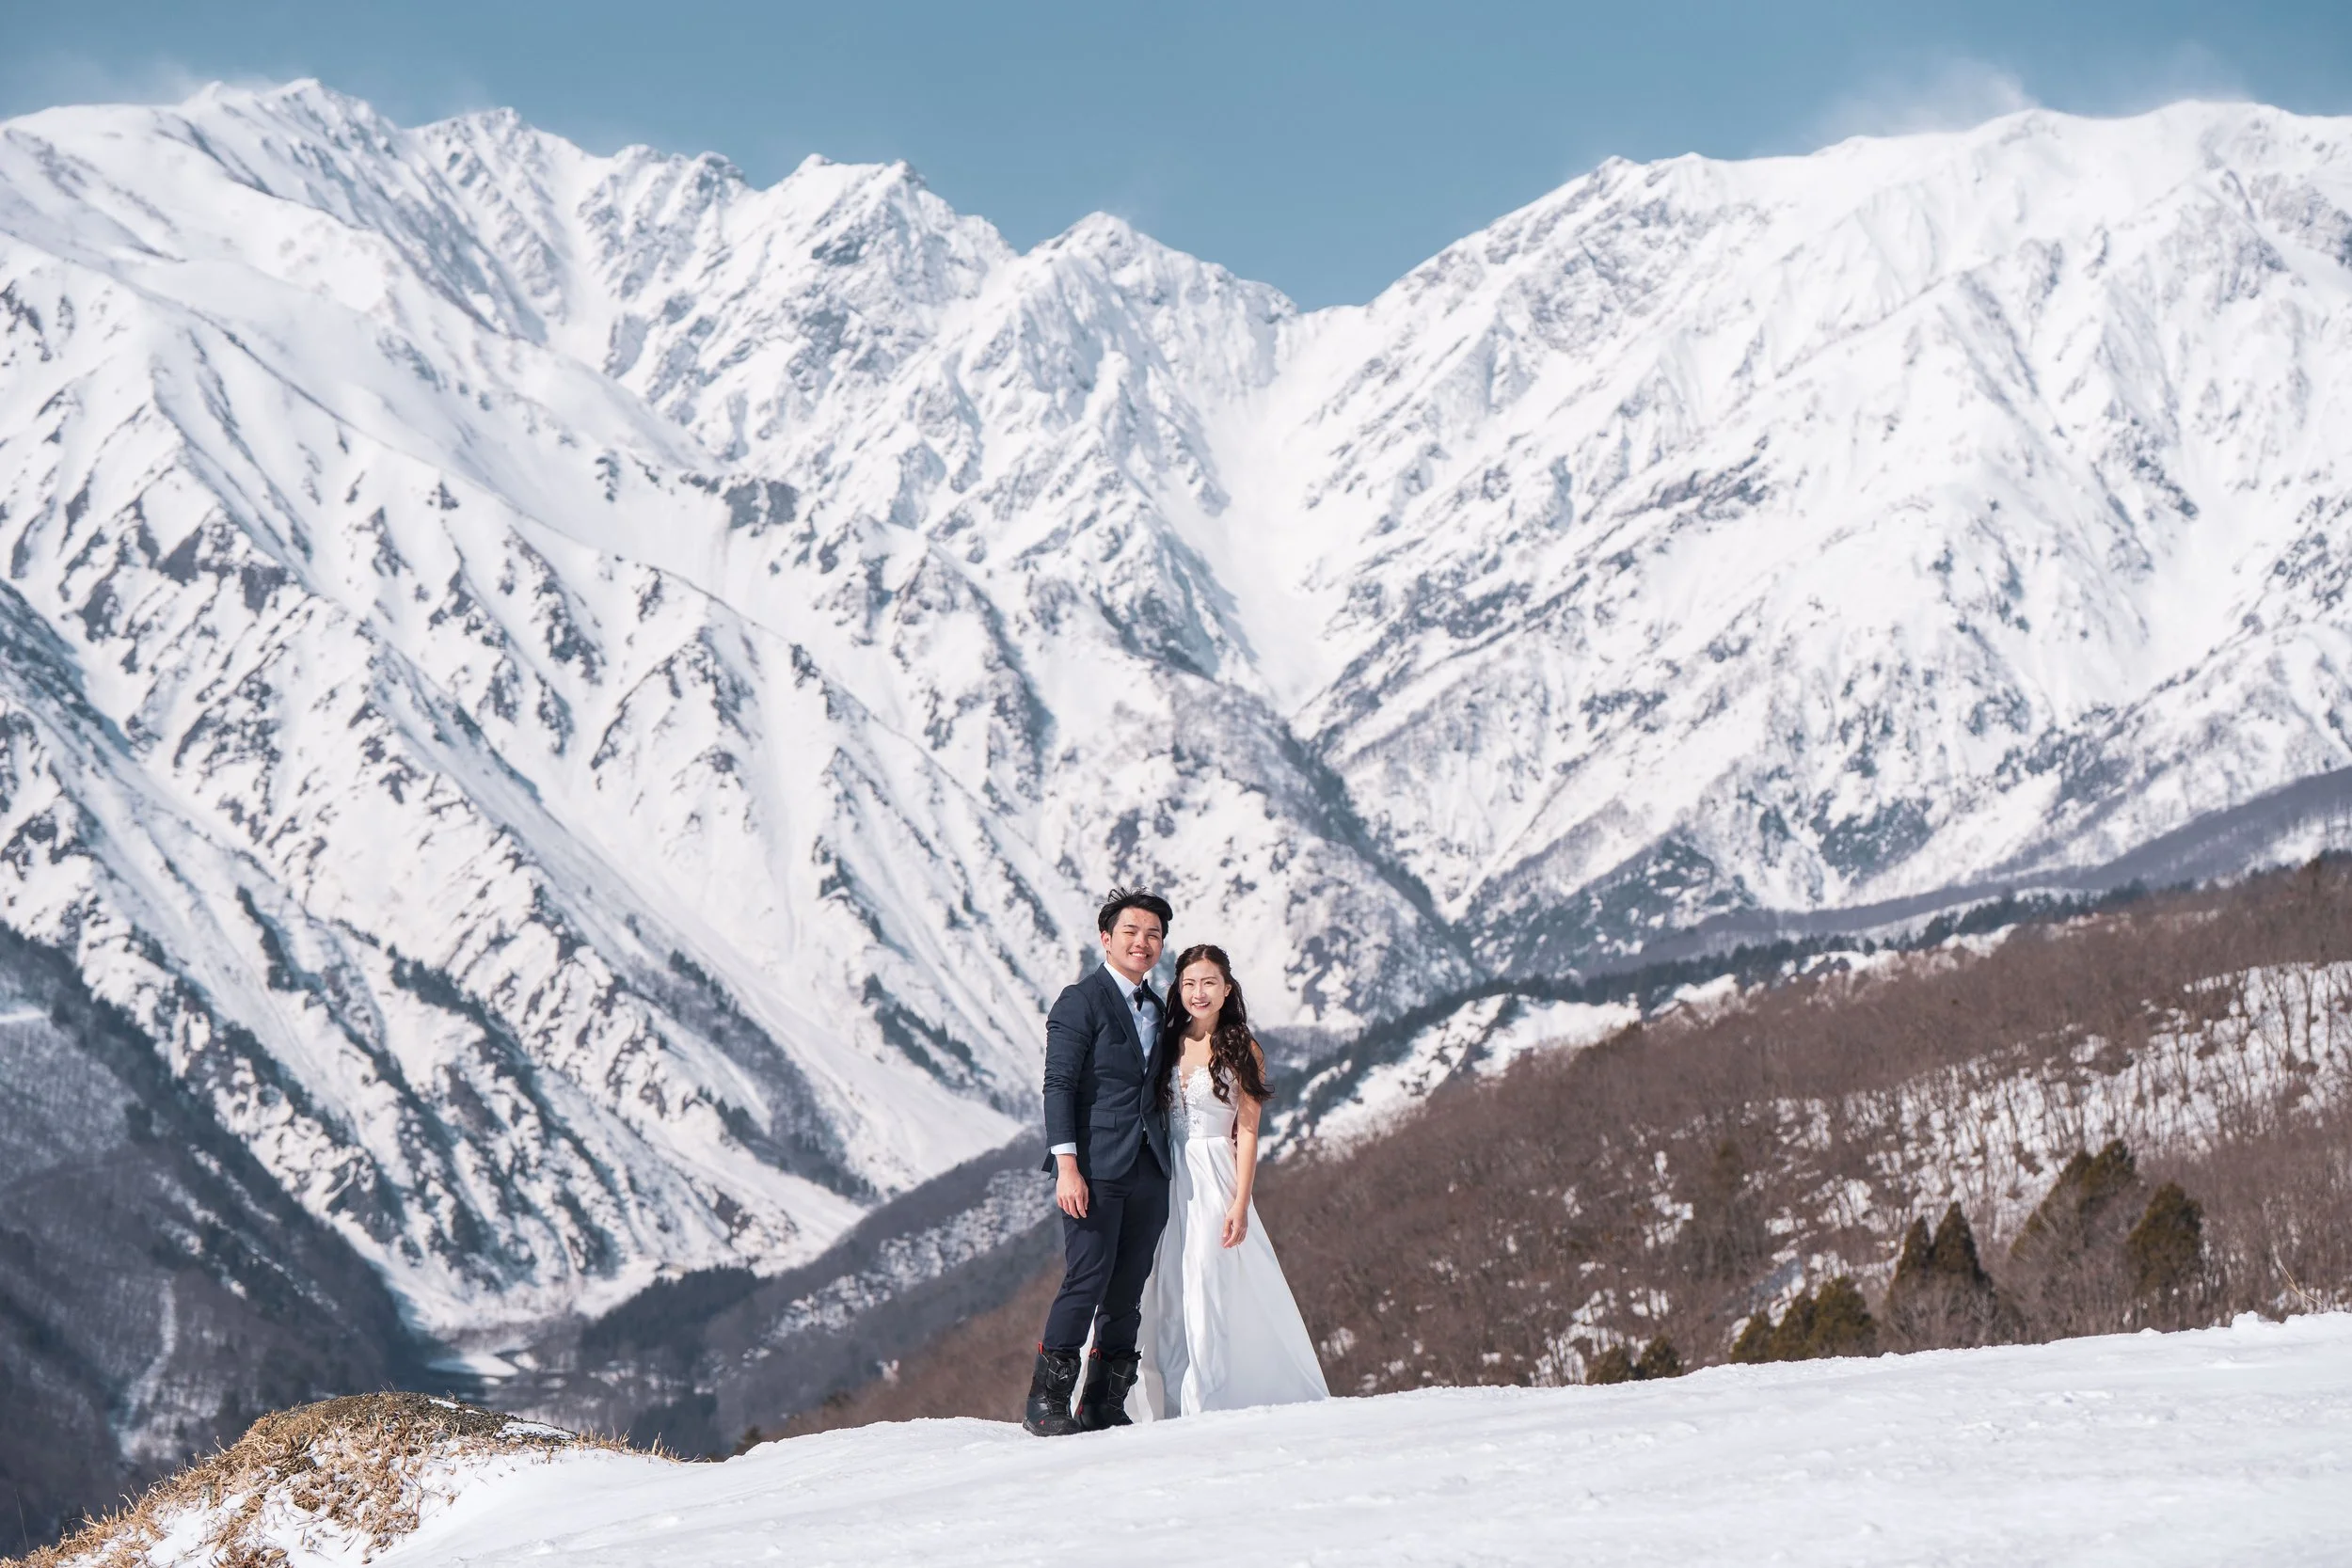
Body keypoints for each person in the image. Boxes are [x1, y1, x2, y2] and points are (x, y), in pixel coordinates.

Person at [1127, 943, 1328, 1420]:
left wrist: (1241, 1202)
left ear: (1227, 989)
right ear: (1178, 989)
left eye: (1209, 983)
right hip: (1168, 1175)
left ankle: (1209, 1396)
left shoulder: (1242, 1047)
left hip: (1215, 1172)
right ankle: (1165, 1400)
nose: (1199, 992)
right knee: (1166, 1286)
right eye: (1190, 983)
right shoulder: (1167, 1039)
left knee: (1208, 1278)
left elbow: (1249, 1131)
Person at [1024, 889, 1176, 1436]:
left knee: (1127, 1288)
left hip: (1148, 1168)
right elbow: (1058, 1084)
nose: (1143, 942)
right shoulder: (1079, 1000)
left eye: (1154, 934)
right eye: (1132, 931)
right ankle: (1046, 1403)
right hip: (1092, 1168)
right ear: (1106, 938)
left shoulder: (1157, 1007)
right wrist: (1067, 1166)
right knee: (1086, 1278)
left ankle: (1103, 1402)